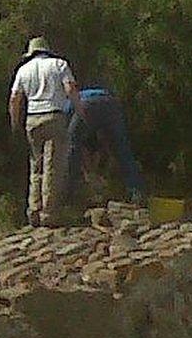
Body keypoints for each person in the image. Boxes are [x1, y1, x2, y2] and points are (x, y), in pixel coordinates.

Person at [8, 36, 79, 226]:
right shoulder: (59, 64)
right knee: (53, 166)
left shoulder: (23, 70)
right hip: (54, 116)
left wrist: (15, 123)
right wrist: (79, 110)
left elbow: (15, 99)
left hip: (32, 119)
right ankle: (49, 213)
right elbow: (70, 88)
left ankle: (33, 210)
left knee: (36, 166)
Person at [64, 83, 148, 204]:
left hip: (86, 104)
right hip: (111, 103)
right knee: (121, 148)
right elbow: (96, 146)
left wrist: (88, 173)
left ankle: (70, 195)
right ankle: (137, 191)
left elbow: (78, 147)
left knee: (72, 146)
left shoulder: (64, 107)